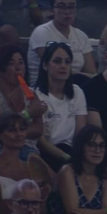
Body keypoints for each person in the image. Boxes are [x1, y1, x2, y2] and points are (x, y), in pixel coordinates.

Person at [0, 44, 46, 151]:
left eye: (21, 63)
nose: (18, 68)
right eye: (11, 63)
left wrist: (14, 133)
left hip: (28, 148)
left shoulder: (30, 92)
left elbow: (39, 129)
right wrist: (27, 114)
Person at [0, 113, 55, 214]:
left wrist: (43, 197)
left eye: (22, 130)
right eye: (12, 130)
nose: (19, 134)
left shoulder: (31, 167)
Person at [34, 40, 88, 168]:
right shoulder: (36, 95)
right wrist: (67, 159)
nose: (63, 66)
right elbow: (41, 141)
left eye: (67, 62)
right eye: (57, 61)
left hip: (71, 150)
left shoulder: (77, 92)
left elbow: (80, 133)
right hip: (47, 152)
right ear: (45, 65)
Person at [26, 0, 94, 82]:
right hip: (46, 87)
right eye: (61, 7)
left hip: (76, 87)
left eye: (71, 7)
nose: (67, 11)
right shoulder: (42, 32)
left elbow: (91, 73)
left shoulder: (81, 35)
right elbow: (53, 69)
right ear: (51, 10)